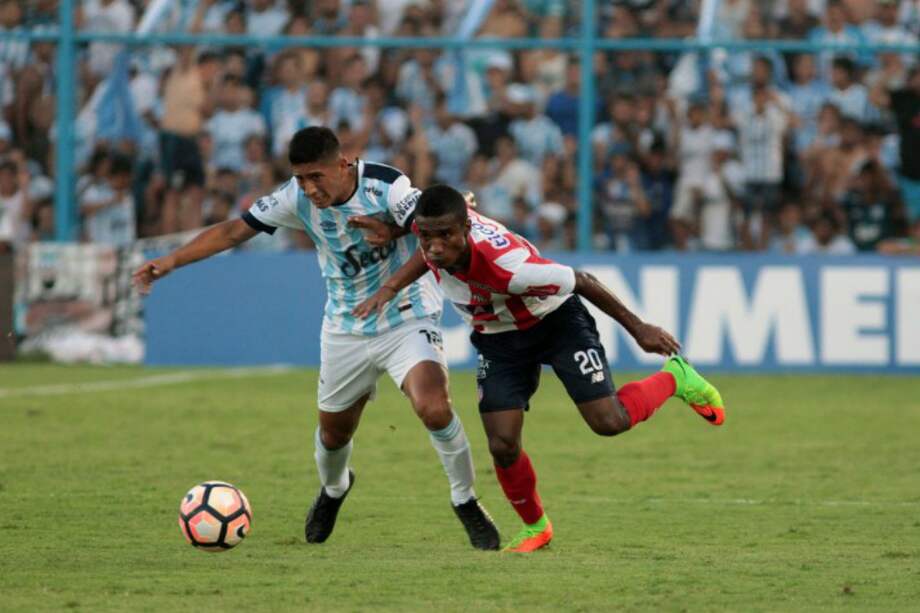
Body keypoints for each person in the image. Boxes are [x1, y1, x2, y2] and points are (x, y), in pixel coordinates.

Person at [133, 127, 499, 550]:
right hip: (345, 327)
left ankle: (465, 499)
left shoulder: (387, 185)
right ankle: (334, 489)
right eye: (301, 178)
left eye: (316, 177)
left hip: (406, 315)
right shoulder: (293, 198)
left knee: (433, 407)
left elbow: (448, 216)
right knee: (333, 435)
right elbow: (235, 231)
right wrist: (172, 261)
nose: (308, 188)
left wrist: (392, 229)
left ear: (342, 165)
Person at [354, 184, 726, 553]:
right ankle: (536, 527)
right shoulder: (437, 234)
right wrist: (391, 286)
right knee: (502, 443)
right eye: (427, 238)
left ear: (465, 229)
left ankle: (676, 377)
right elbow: (435, 234)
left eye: (445, 236)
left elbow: (582, 280)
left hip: (555, 324)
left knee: (608, 422)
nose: (434, 248)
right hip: (499, 340)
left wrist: (639, 328)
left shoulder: (510, 268)